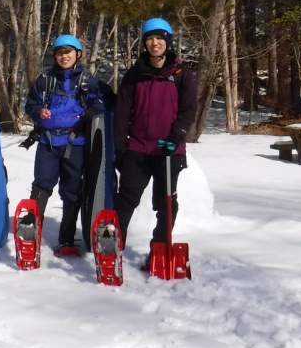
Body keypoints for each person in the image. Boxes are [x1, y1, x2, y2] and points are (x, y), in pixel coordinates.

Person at [113, 18, 197, 257]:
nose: (155, 43)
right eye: (150, 38)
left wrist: (177, 136)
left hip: (168, 149)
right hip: (138, 148)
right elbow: (122, 113)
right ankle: (113, 248)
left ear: (167, 42)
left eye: (160, 38)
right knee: (126, 200)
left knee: (166, 203)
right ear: (144, 43)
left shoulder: (181, 74)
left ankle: (159, 249)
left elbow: (188, 110)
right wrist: (121, 147)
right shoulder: (134, 75)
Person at [23, 35, 107, 256]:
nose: (64, 56)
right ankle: (31, 233)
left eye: (68, 52)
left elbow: (99, 104)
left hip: (75, 144)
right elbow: (30, 104)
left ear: (77, 54)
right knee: (41, 185)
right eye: (60, 53)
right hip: (48, 142)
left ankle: (66, 239)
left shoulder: (87, 80)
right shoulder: (45, 79)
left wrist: (88, 113)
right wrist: (38, 112)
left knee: (71, 192)